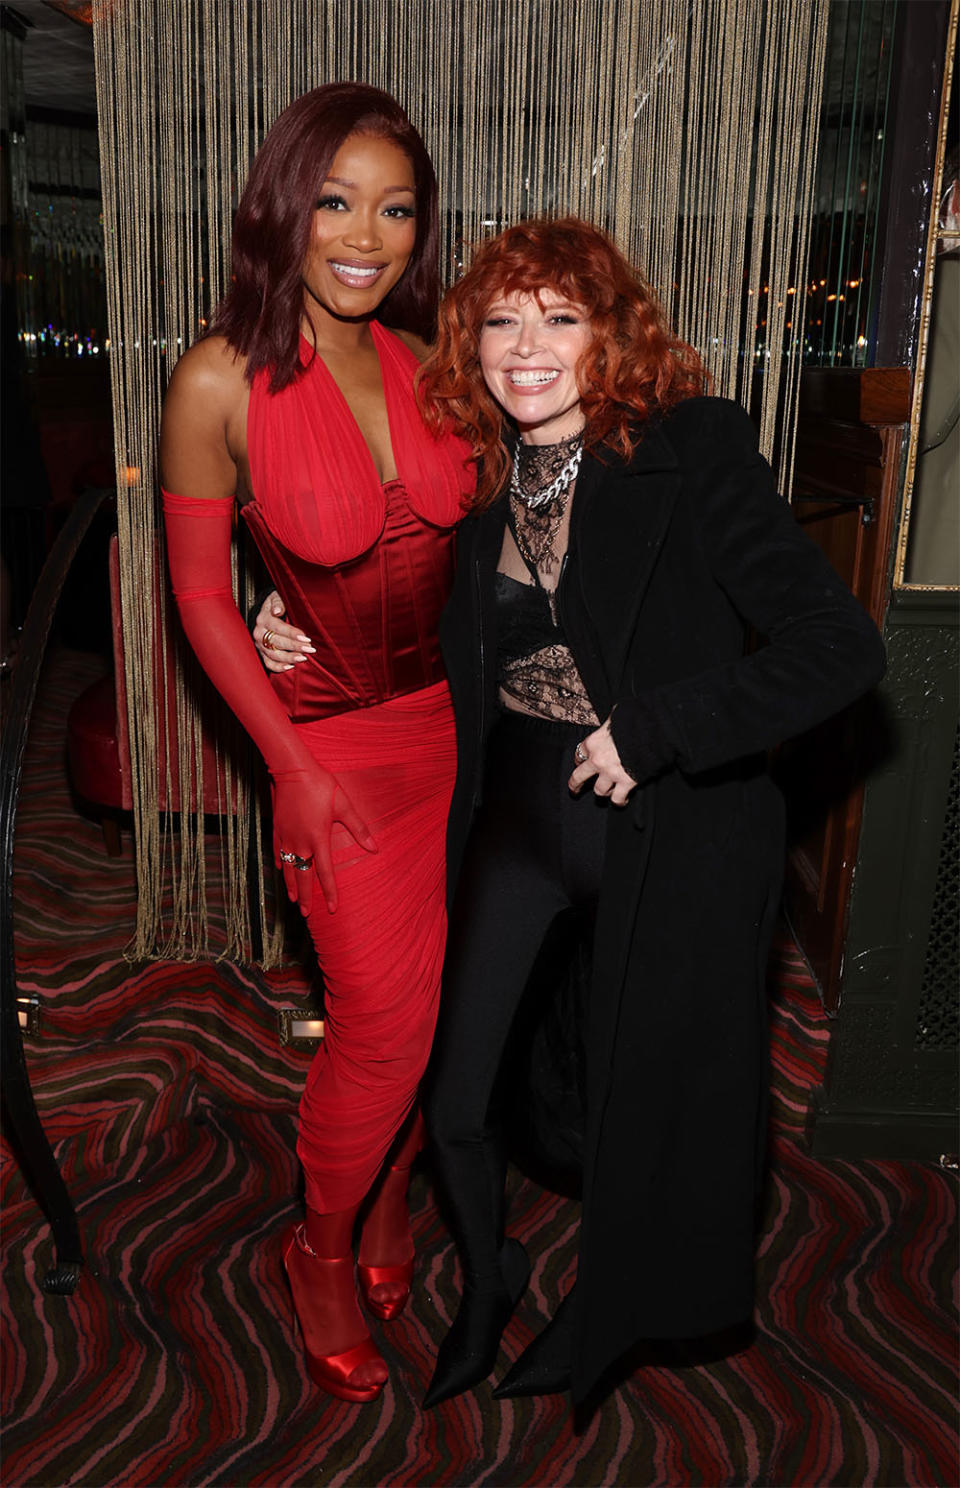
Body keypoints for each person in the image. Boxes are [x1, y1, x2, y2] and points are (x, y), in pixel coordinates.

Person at [411, 216, 886, 1407]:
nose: (527, 348)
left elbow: (838, 647)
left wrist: (659, 726)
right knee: (457, 1095)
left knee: (645, 1107)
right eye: (502, 321)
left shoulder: (692, 447)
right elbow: (428, 638)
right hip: (517, 821)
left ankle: (607, 1314)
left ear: (610, 335)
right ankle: (488, 1277)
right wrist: (292, 629)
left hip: (666, 830)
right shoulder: (475, 472)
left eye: (559, 319)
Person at [159, 83, 474, 1404]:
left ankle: (393, 1204)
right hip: (333, 758)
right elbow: (193, 596)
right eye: (337, 199)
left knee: (434, 1015)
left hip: (464, 737)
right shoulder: (217, 375)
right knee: (385, 1027)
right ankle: (323, 1248)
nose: (367, 233)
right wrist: (290, 752)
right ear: (284, 204)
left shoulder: (427, 355)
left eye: (396, 207)